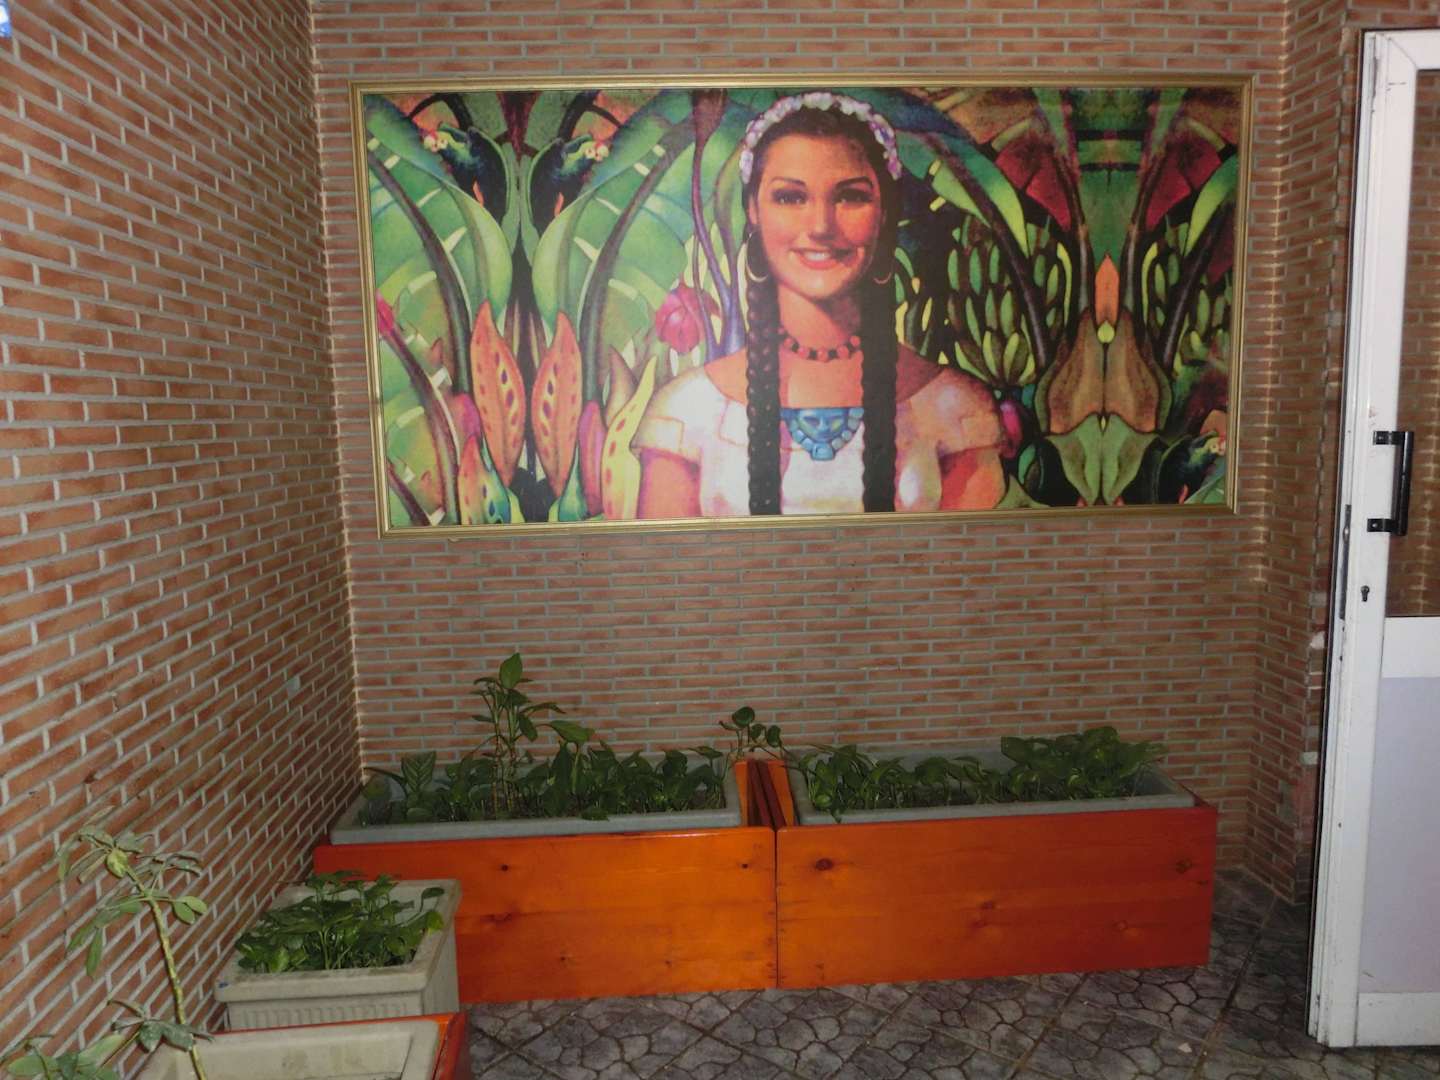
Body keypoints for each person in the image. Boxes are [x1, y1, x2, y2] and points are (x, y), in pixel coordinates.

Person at [633, 92, 1005, 519]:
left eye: (850, 197)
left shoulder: (956, 409)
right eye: (791, 198)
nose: (821, 226)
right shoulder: (686, 412)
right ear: (753, 209)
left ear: (885, 211)